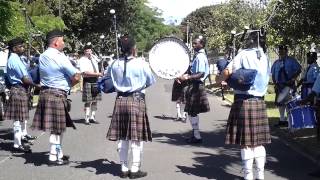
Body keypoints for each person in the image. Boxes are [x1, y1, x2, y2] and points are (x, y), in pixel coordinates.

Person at [216, 29, 271, 180]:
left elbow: (227, 71)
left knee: (246, 143)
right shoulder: (265, 57)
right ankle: (260, 176)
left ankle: (248, 176)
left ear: (251, 40)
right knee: (259, 143)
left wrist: (219, 79)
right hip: (259, 101)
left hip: (243, 102)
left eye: (248, 38)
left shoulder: (243, 54)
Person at [106, 35, 155, 179]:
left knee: (123, 136)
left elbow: (109, 79)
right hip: (136, 100)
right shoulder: (141, 64)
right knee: (136, 138)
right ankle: (135, 169)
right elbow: (150, 81)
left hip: (120, 100)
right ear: (134, 48)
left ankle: (123, 167)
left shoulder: (114, 64)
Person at [31, 29, 81, 165]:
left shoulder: (42, 56)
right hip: (58, 94)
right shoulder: (60, 57)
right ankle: (53, 157)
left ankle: (59, 152)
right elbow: (76, 75)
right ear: (56, 42)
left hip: (45, 93)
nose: (64, 43)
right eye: (62, 40)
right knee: (57, 128)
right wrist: (70, 85)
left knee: (58, 127)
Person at [4, 37, 37, 153]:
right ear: (14, 48)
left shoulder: (16, 58)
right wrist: (37, 86)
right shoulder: (14, 59)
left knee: (19, 118)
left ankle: (19, 141)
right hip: (18, 89)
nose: (23, 48)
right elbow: (25, 78)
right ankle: (17, 145)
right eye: (21, 46)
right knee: (17, 120)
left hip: (20, 90)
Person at [177, 36, 210, 144]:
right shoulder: (199, 56)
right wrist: (183, 76)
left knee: (193, 112)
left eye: (195, 43)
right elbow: (194, 72)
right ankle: (196, 134)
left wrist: (186, 77)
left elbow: (201, 73)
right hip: (194, 85)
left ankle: (197, 136)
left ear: (202, 44)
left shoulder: (200, 57)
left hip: (196, 86)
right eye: (193, 43)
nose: (193, 45)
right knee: (192, 112)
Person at [271, 45, 301, 127]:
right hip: (279, 85)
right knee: (280, 104)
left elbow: (299, 69)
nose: (281, 52)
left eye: (283, 51)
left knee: (289, 103)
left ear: (286, 51)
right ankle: (282, 120)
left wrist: (293, 79)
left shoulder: (292, 60)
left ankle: (289, 121)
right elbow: (273, 74)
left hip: (289, 85)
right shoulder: (276, 62)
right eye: (280, 51)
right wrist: (275, 84)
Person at [79, 44, 102, 125]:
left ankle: (92, 117)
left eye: (90, 50)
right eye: (87, 51)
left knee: (95, 100)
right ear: (84, 52)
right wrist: (97, 74)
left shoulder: (93, 58)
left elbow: (99, 61)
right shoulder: (82, 60)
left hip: (96, 81)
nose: (88, 52)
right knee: (88, 101)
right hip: (88, 81)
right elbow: (85, 72)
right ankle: (87, 118)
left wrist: (95, 57)